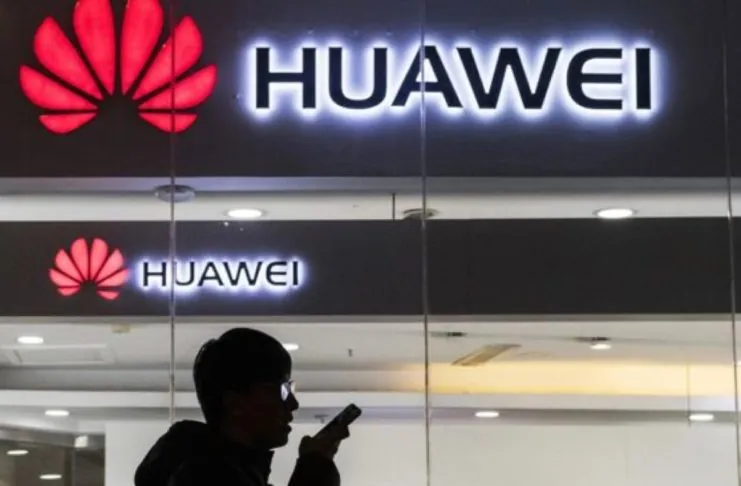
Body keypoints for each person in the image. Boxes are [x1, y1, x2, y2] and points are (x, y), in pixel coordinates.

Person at [134, 327, 349, 486]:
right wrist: (315, 467)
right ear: (234, 403)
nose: (293, 404)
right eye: (282, 390)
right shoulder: (208, 476)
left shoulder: (203, 468)